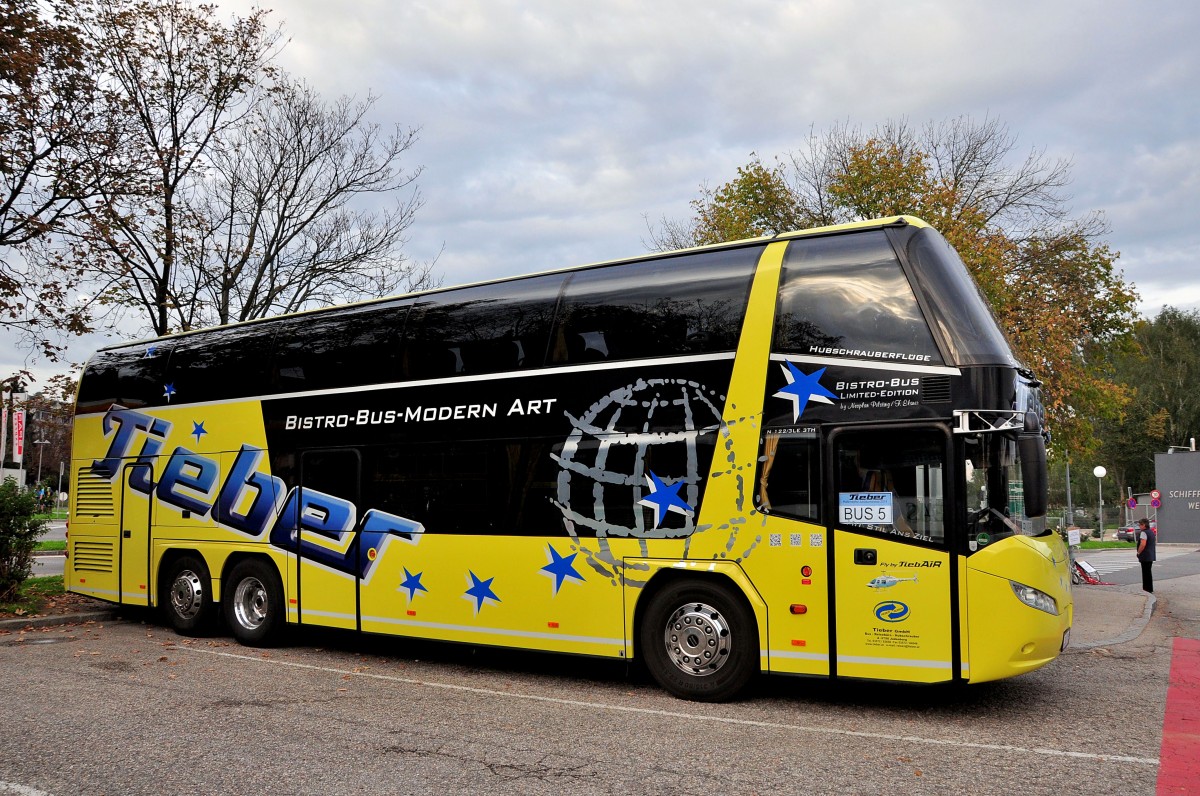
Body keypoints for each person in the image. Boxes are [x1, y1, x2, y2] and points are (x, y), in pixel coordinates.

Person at [1135, 517, 1156, 593]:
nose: (1139, 527)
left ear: (1144, 525)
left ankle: (1146, 588)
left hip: (1145, 555)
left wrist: (1138, 552)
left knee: (1145, 572)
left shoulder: (1144, 533)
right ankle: (1150, 588)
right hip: (1150, 555)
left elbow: (1143, 544)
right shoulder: (1151, 532)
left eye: (1140, 525)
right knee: (1148, 572)